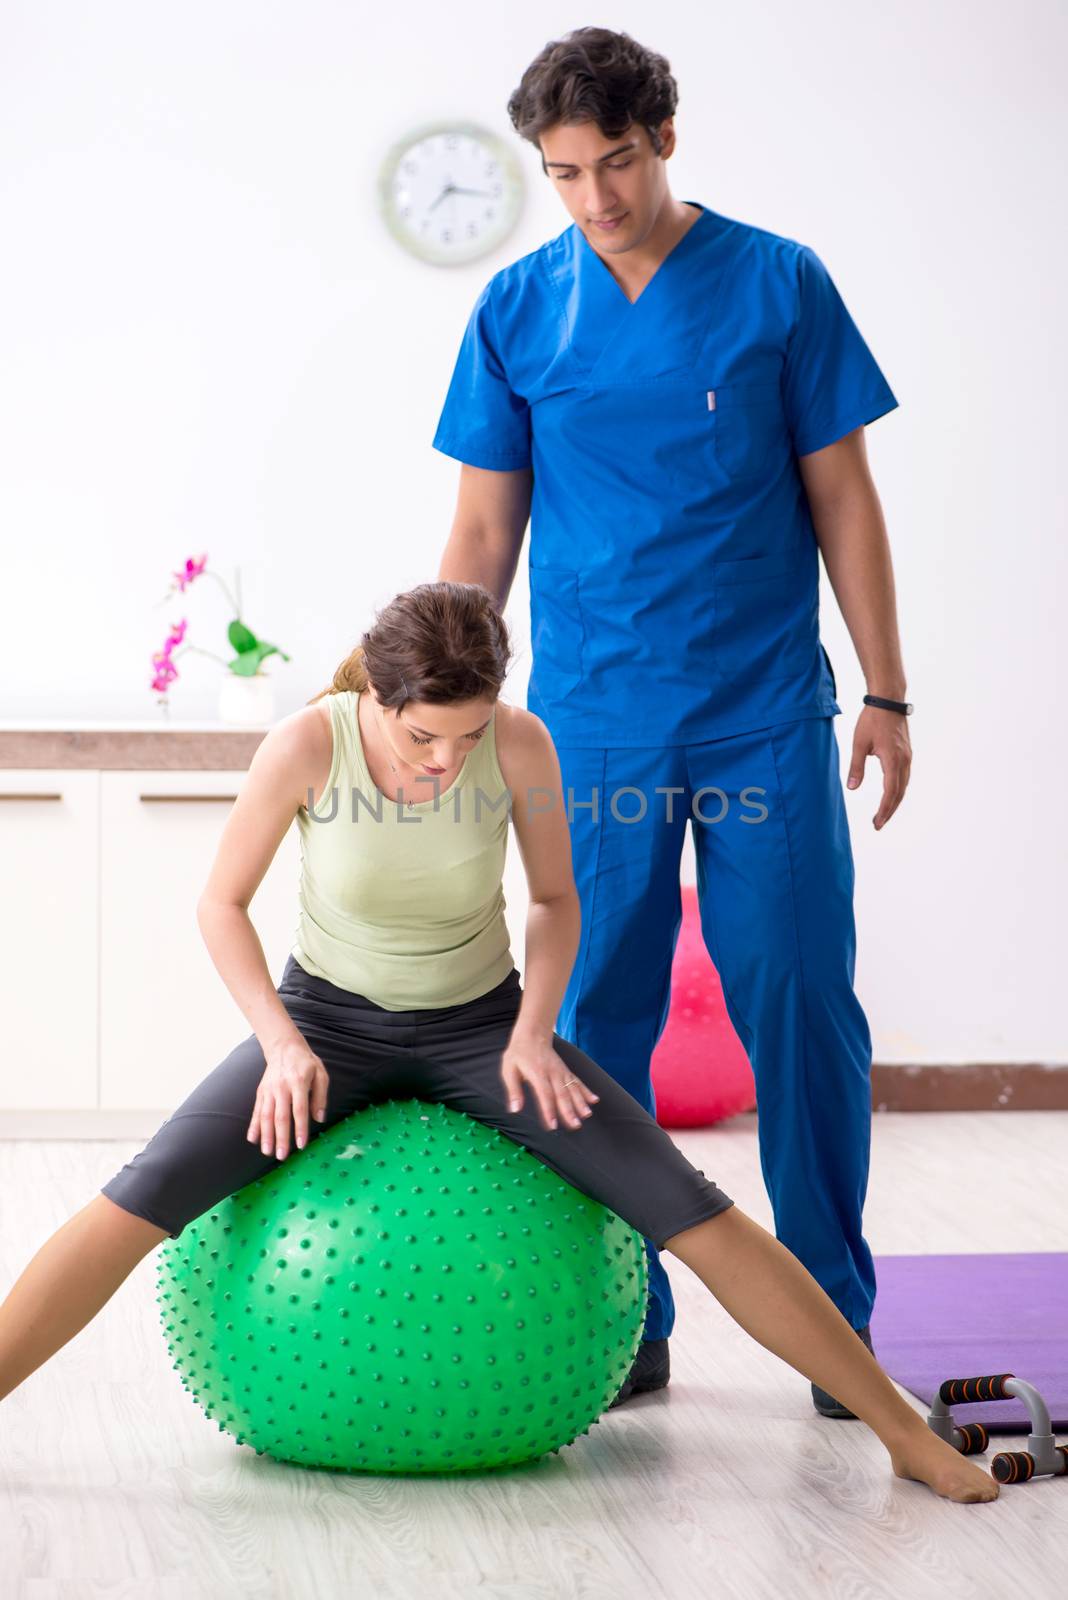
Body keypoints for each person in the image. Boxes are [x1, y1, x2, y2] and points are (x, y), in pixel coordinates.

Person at [0, 583, 991, 1503]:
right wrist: (282, 1042)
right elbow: (220, 906)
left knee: (693, 1209)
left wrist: (531, 1031)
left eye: (468, 733)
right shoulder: (307, 746)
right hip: (326, 1023)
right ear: (380, 700)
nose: (449, 760)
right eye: (428, 735)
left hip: (482, 1026)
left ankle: (897, 1429)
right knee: (142, 1195)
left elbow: (556, 905)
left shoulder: (517, 745)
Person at [434, 25, 913, 1414]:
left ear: (668, 139)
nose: (596, 199)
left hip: (765, 710)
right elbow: (480, 525)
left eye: (619, 164)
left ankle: (833, 1329)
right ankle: (619, 1322)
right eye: (565, 173)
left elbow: (845, 498)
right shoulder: (520, 308)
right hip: (591, 722)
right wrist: (443, 715)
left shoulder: (779, 284)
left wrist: (885, 689)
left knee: (801, 1005)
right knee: (591, 1022)